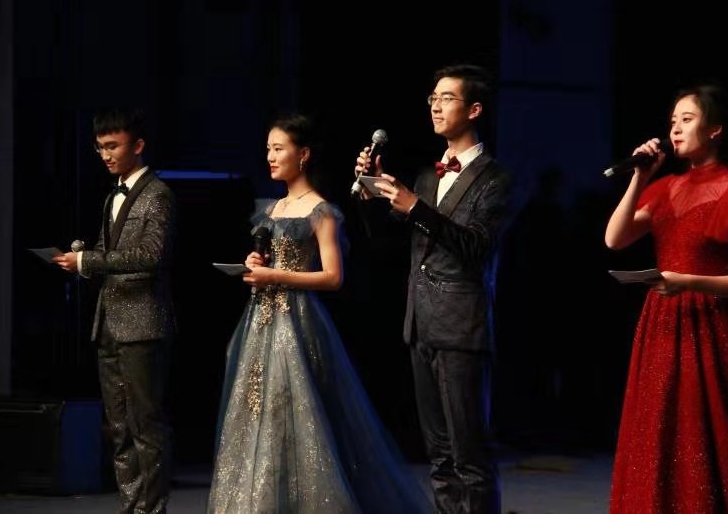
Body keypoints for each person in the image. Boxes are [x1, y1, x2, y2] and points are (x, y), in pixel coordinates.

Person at [207, 114, 432, 513]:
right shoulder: (273, 208)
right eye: (268, 149)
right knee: (258, 413)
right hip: (260, 321)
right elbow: (270, 260)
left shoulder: (321, 210)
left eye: (279, 149)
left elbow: (333, 277)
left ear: (304, 154)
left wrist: (275, 275)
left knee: (300, 414)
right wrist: (255, 263)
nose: (270, 156)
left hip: (296, 322)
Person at [605, 84, 728, 513]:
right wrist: (640, 176)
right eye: (673, 121)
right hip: (661, 322)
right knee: (659, 426)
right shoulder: (666, 186)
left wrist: (687, 281)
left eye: (687, 120)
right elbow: (615, 239)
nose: (675, 129)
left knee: (706, 430)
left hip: (711, 325)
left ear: (715, 129)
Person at [354, 64, 515, 513]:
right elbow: (388, 244)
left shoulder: (495, 178)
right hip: (420, 321)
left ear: (474, 110)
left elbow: (476, 246)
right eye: (433, 98)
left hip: (461, 326)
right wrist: (373, 196)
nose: (436, 106)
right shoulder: (428, 176)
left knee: (469, 454)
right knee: (439, 456)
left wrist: (416, 208)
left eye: (447, 98)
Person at [54, 108, 176, 514]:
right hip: (108, 321)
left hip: (142, 324)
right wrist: (80, 259)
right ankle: (131, 506)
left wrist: (90, 261)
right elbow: (110, 253)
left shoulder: (158, 193)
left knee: (146, 425)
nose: (106, 155)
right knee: (120, 427)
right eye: (100, 148)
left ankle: (150, 510)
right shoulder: (113, 194)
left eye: (113, 146)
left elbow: (151, 255)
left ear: (137, 145)